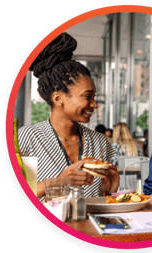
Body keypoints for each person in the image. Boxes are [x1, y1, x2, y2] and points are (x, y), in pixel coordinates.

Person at [18, 32, 119, 201]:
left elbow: (104, 202)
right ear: (58, 98)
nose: (94, 104)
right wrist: (59, 181)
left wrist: (109, 192)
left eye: (94, 97)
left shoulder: (100, 143)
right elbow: (19, 196)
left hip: (91, 227)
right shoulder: (27, 139)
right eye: (87, 96)